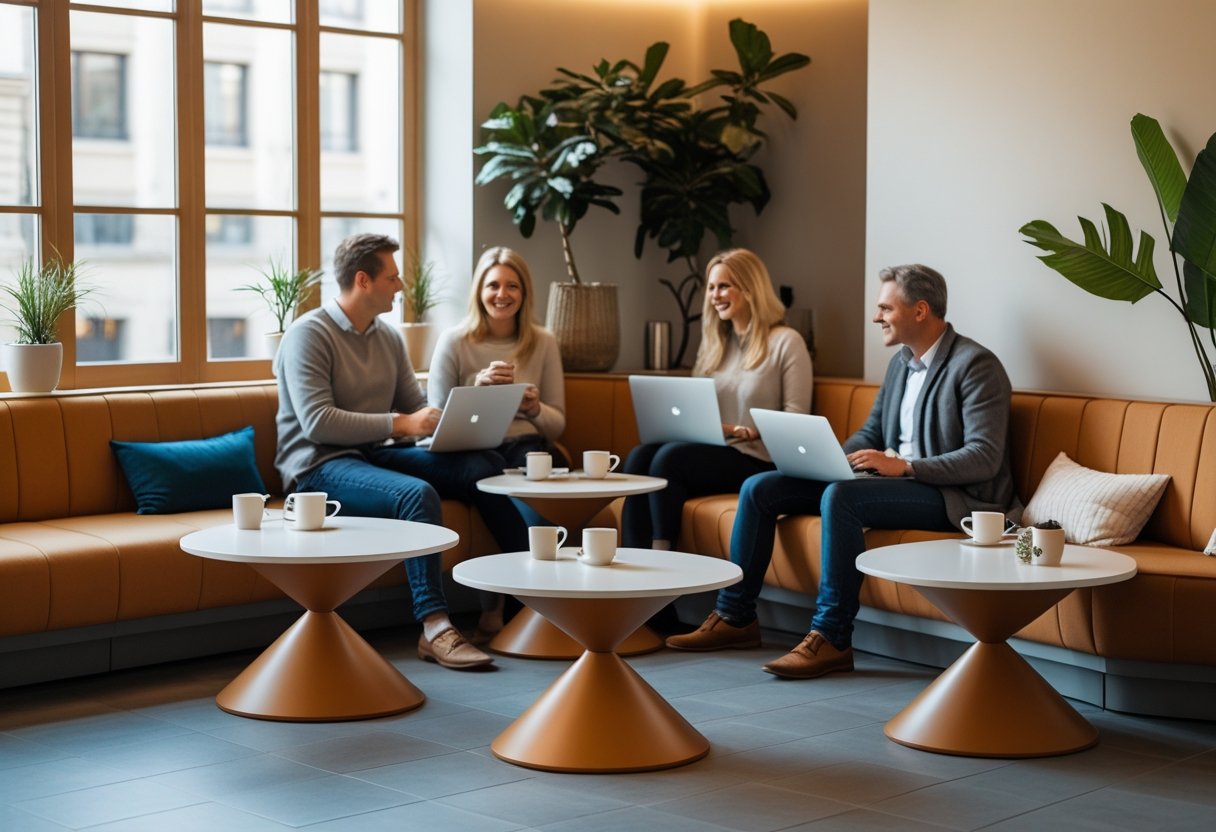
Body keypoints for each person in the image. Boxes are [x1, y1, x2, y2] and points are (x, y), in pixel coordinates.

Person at [667, 264, 1023, 679]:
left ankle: (831, 638)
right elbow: (872, 431)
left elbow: (984, 457)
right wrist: (828, 459)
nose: (876, 318)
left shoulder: (976, 365)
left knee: (841, 498)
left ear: (921, 310)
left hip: (956, 496)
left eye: (885, 308)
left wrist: (905, 465)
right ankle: (735, 618)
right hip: (896, 481)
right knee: (760, 487)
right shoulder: (901, 364)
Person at [274, 233, 505, 671]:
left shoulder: (387, 337)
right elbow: (318, 422)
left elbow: (413, 406)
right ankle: (435, 629)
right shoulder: (308, 335)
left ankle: (533, 594)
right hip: (318, 467)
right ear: (363, 280)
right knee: (415, 495)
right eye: (393, 278)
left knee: (484, 466)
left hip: (372, 454)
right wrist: (402, 424)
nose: (400, 287)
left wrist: (457, 410)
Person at [621, 248, 813, 552]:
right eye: (711, 287)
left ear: (750, 289)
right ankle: (631, 561)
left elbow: (797, 417)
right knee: (639, 456)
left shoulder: (786, 342)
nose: (714, 295)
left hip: (758, 458)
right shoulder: (714, 345)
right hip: (715, 451)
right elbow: (697, 407)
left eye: (724, 286)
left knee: (668, 460)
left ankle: (661, 559)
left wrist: (746, 431)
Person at [428, 246, 565, 642]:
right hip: (472, 449)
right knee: (492, 482)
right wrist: (477, 390)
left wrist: (535, 407)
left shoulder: (542, 342)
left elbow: (558, 423)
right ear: (479, 290)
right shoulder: (454, 341)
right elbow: (434, 417)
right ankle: (515, 606)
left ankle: (521, 611)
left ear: (524, 293)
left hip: (526, 444)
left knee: (537, 508)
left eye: (511, 286)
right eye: (492, 285)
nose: (501, 294)